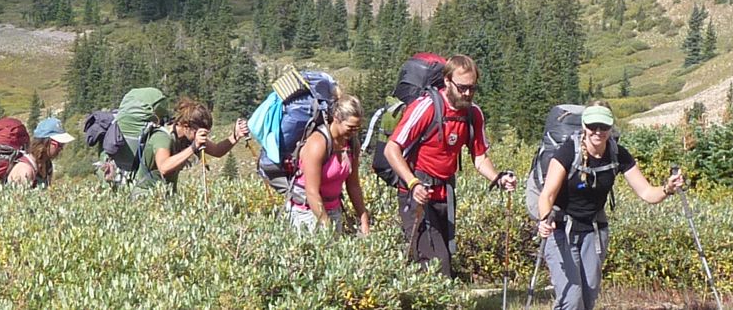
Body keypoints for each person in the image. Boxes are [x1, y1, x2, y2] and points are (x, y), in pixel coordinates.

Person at [535, 102, 685, 310]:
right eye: (592, 125)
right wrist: (544, 219)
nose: (598, 131)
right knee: (571, 300)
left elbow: (647, 193)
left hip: (594, 231)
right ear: (584, 125)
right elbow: (547, 195)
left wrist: (667, 188)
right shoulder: (568, 151)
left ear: (611, 127)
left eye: (603, 126)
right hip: (560, 229)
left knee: (588, 300)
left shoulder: (618, 154)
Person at [384, 54, 518, 277]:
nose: (467, 94)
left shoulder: (472, 114)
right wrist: (413, 183)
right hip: (417, 194)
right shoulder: (426, 108)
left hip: (445, 195)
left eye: (472, 88)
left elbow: (480, 157)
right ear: (447, 81)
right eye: (462, 88)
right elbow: (392, 149)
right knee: (437, 265)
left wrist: (498, 178)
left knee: (439, 259)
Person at [287, 95, 371, 235]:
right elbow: (312, 192)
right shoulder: (317, 144)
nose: (354, 132)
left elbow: (353, 185)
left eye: (357, 128)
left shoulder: (352, 144)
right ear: (337, 118)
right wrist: (327, 227)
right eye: (350, 127)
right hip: (306, 212)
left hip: (334, 209)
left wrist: (363, 218)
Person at [134, 97, 249, 191]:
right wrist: (193, 147)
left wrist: (235, 136)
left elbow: (217, 151)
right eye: (197, 132)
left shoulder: (189, 137)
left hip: (166, 195)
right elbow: (164, 167)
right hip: (146, 195)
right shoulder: (163, 137)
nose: (201, 135)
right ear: (185, 126)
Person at [8, 117, 75, 188]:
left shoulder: (47, 165)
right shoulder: (25, 170)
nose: (61, 148)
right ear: (45, 143)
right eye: (59, 145)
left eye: (62, 145)